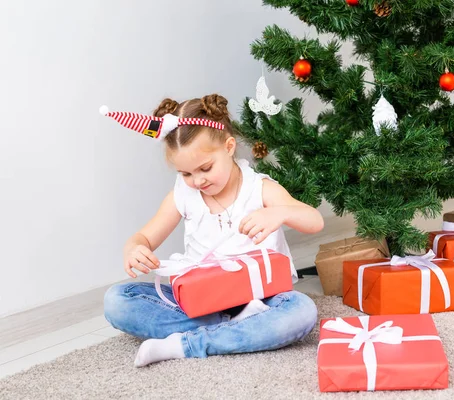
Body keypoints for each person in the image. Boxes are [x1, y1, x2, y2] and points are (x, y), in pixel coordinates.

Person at [102, 94, 323, 367]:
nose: (197, 181)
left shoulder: (259, 188)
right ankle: (235, 328)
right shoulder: (183, 194)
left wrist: (280, 212)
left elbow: (315, 221)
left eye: (205, 168)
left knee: (300, 312)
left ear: (229, 147)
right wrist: (134, 249)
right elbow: (144, 237)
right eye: (185, 173)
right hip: (202, 300)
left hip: (262, 297)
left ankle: (188, 342)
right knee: (117, 300)